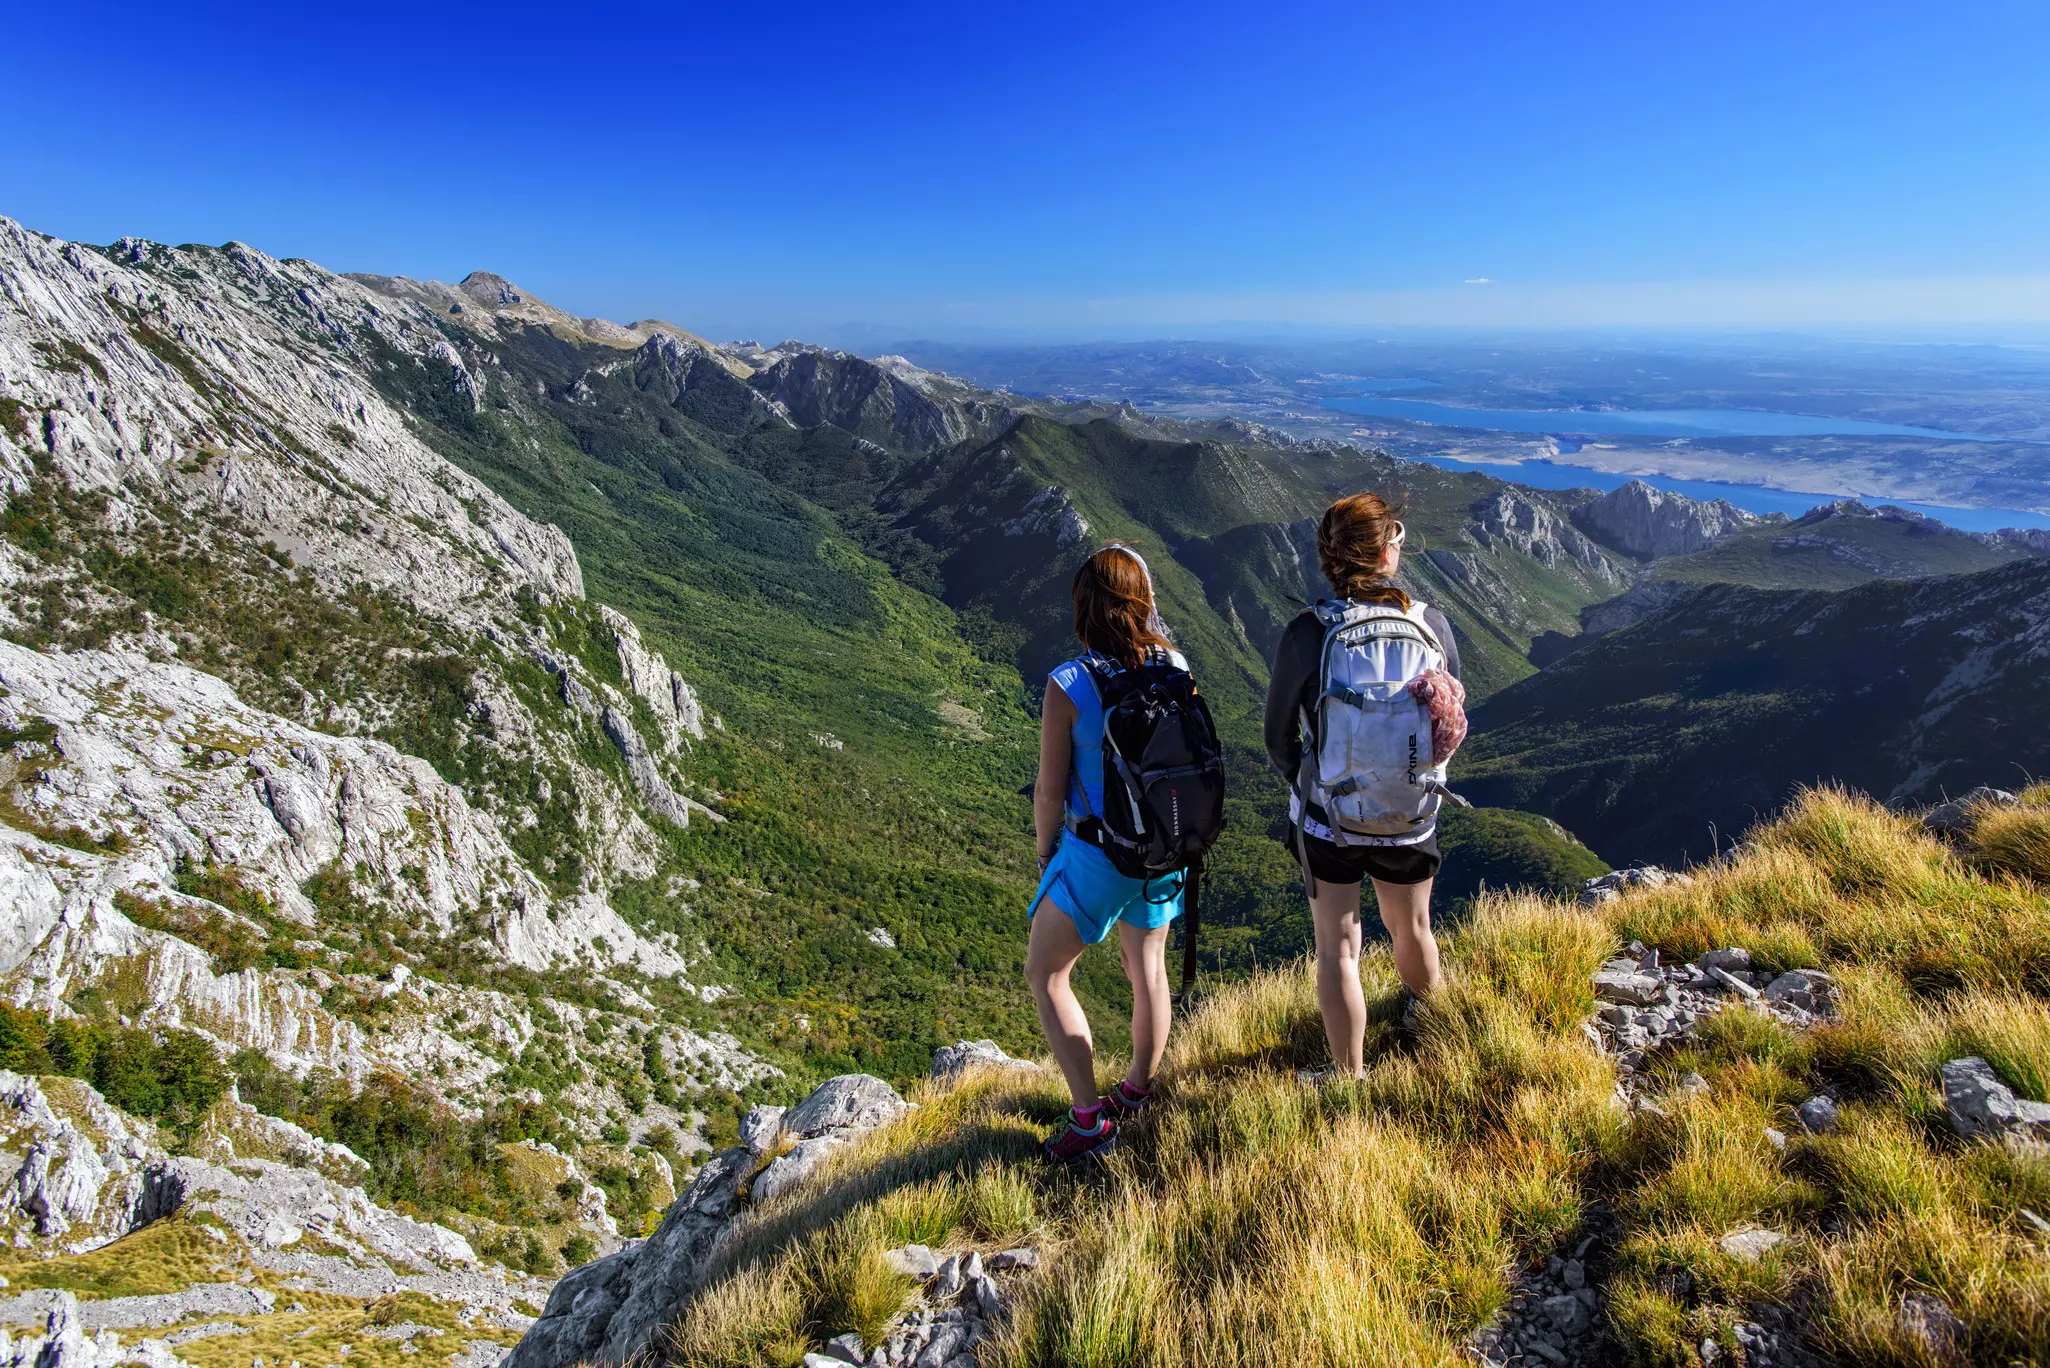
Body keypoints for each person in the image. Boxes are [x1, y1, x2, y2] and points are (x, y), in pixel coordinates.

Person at [1264, 493, 1462, 1079]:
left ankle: (1348, 1077)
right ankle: (1442, 1037)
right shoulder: (1432, 625)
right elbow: (1448, 721)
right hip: (1409, 812)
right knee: (1413, 930)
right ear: (1383, 551)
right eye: (1395, 533)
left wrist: (1309, 783)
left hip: (1330, 818)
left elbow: (1277, 735)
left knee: (1339, 948)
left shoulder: (1308, 632)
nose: (1400, 542)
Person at [1025, 543, 1191, 1162]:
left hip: (1096, 854)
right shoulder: (1175, 664)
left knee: (1046, 974)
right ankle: (1138, 1092)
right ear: (1142, 601)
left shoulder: (1068, 685)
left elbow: (1049, 788)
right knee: (1146, 970)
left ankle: (1090, 1122)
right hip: (1163, 845)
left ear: (1084, 609)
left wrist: (1047, 858)